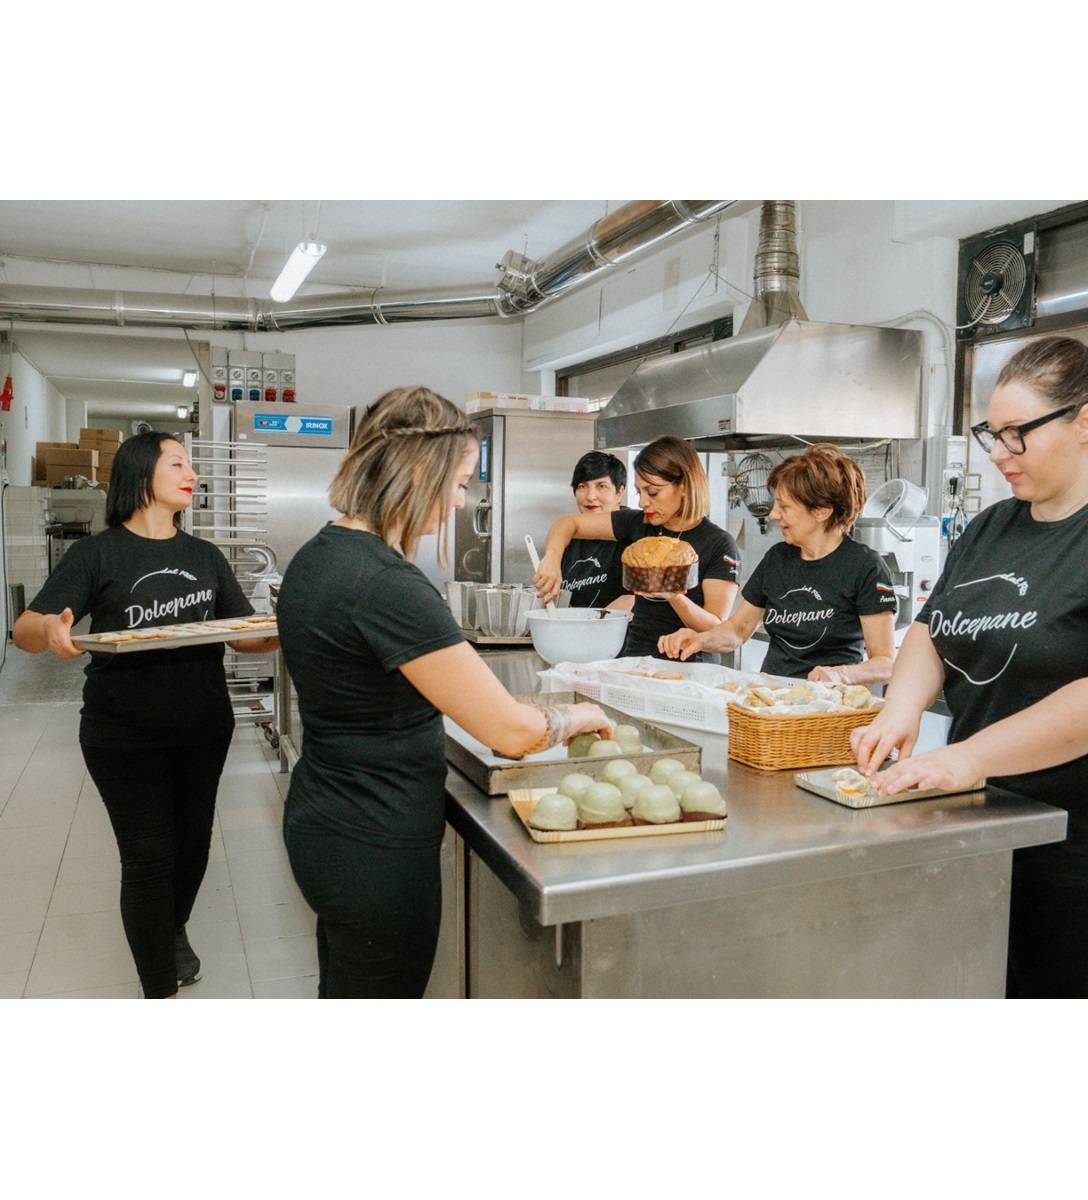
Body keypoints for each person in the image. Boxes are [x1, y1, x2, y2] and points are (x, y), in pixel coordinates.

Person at [851, 335, 1088, 999]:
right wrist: (900, 710)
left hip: (1087, 841)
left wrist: (969, 757)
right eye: (992, 434)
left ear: (1086, 422)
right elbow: (932, 628)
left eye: (1017, 435)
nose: (998, 454)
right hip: (985, 818)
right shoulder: (992, 528)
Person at [276, 386, 611, 999]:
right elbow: (510, 733)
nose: (460, 501)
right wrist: (572, 716)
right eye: (458, 483)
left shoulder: (317, 556)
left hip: (325, 816)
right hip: (376, 846)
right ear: (419, 473)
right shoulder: (387, 584)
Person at [14, 432, 277, 999]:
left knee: (193, 849)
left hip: (204, 727)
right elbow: (26, 629)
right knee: (149, 856)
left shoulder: (205, 557)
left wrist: (279, 633)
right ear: (139, 475)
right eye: (178, 463)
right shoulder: (97, 554)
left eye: (192, 466)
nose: (192, 474)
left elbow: (242, 636)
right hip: (122, 733)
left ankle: (169, 926)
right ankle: (158, 989)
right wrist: (53, 630)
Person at [658, 444, 897, 682]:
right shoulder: (778, 557)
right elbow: (738, 630)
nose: (773, 514)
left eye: (784, 506)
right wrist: (701, 640)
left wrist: (839, 674)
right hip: (775, 701)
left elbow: (886, 664)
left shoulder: (864, 567)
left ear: (821, 511)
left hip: (828, 708)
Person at [534, 435, 740, 663]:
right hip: (635, 661)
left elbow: (717, 627)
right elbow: (567, 524)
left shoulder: (719, 544)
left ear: (684, 487)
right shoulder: (638, 523)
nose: (643, 502)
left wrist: (674, 596)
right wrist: (552, 559)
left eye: (652, 492)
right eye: (639, 491)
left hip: (690, 669)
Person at [560, 450, 633, 611]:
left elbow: (634, 598)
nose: (590, 496)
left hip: (615, 633)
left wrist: (590, 627)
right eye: (582, 486)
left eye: (601, 486)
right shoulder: (568, 538)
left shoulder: (633, 533)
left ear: (620, 492)